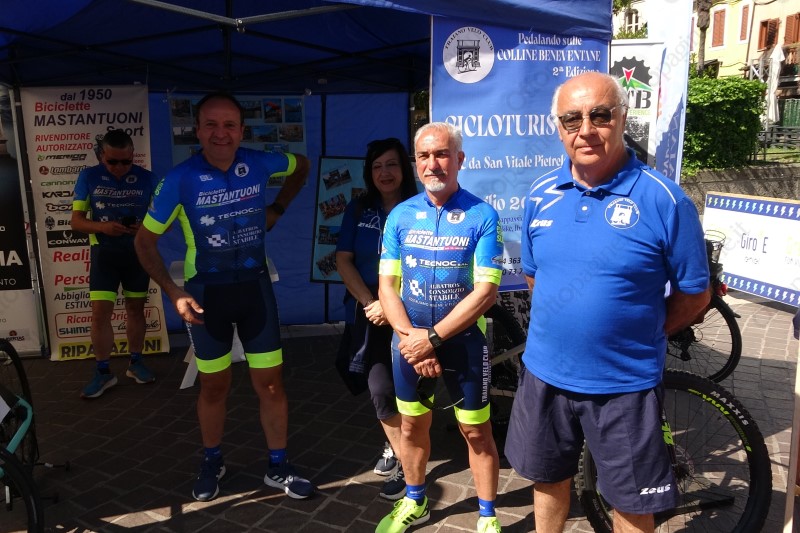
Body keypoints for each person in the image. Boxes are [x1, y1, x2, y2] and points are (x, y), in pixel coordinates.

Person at [505, 72, 711, 533]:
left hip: (624, 385)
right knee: (547, 480)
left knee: (631, 504)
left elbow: (696, 293)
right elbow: (537, 278)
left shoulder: (665, 200)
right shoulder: (540, 195)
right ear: (558, 127)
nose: (586, 130)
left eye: (600, 115)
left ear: (622, 118)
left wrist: (641, 332)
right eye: (572, 119)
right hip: (545, 374)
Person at [134, 92, 314, 502]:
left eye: (229, 125)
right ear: (197, 131)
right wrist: (173, 291)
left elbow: (302, 165)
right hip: (205, 295)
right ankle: (212, 460)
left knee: (271, 385)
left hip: (254, 289)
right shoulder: (178, 180)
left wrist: (277, 209)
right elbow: (144, 242)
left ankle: (278, 466)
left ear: (241, 130)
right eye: (211, 125)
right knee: (214, 387)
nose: (221, 133)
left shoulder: (261, 163)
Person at [376, 122, 504, 533]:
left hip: (461, 342)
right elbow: (387, 286)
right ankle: (416, 502)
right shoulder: (400, 215)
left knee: (476, 432)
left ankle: (487, 516)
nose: (433, 164)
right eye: (425, 156)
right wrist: (411, 341)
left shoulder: (482, 215)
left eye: (442, 154)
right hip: (407, 341)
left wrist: (431, 339)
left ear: (459, 159)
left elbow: (486, 293)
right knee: (411, 427)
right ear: (416, 163)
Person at [335, 138, 418, 501]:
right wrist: (372, 302)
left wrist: (392, 303)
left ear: (404, 169)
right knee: (381, 390)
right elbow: (343, 260)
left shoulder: (420, 207)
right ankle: (407, 465)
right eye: (377, 166)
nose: (385, 173)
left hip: (412, 310)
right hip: (369, 311)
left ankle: (404, 452)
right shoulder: (358, 208)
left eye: (392, 164)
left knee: (410, 391)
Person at [71, 129, 159, 399]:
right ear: (101, 156)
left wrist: (145, 228)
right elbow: (76, 221)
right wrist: (103, 227)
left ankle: (136, 362)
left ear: (133, 155)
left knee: (136, 309)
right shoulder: (88, 177)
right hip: (104, 254)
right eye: (112, 162)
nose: (119, 167)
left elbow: (164, 222)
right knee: (100, 314)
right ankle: (103, 371)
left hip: (137, 253)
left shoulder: (148, 178)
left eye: (126, 161)